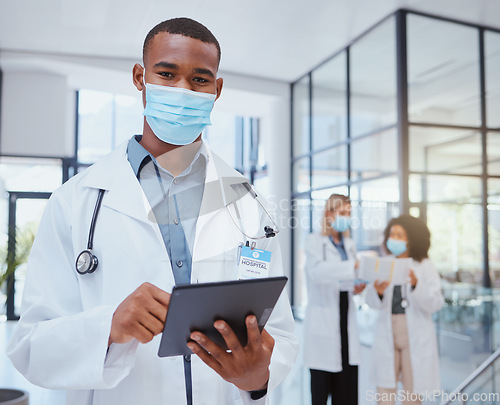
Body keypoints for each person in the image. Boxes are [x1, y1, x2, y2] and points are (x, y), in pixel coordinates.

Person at [7, 18, 298, 405]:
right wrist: (107, 327)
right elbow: (30, 347)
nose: (183, 89)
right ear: (139, 78)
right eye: (167, 73)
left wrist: (258, 376)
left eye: (199, 79)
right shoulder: (75, 201)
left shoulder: (250, 205)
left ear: (218, 89)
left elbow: (280, 333)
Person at [365, 214, 443, 405]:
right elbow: (371, 302)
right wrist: (378, 292)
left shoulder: (425, 266)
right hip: (388, 331)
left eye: (400, 235)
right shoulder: (384, 263)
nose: (394, 239)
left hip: (414, 335)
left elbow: (436, 303)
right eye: (392, 234)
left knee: (412, 396)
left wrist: (417, 286)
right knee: (384, 396)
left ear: (411, 238)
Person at [302, 194, 365, 405]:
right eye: (343, 213)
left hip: (346, 324)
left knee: (347, 396)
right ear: (329, 214)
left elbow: (346, 279)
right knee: (320, 396)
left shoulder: (349, 244)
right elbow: (318, 273)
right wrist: (352, 268)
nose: (347, 217)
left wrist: (357, 284)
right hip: (324, 326)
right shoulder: (314, 242)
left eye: (349, 213)